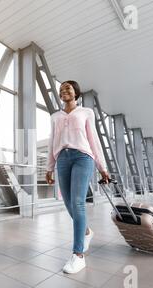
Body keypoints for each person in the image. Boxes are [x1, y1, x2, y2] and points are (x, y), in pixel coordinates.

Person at [46, 80, 110, 274]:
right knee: (68, 204)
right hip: (63, 159)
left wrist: (102, 167)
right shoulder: (55, 116)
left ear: (76, 92)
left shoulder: (86, 112)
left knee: (78, 202)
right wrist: (49, 167)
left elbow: (93, 140)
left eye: (68, 88)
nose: (64, 91)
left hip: (83, 157)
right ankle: (87, 232)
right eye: (61, 89)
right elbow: (52, 141)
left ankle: (78, 255)